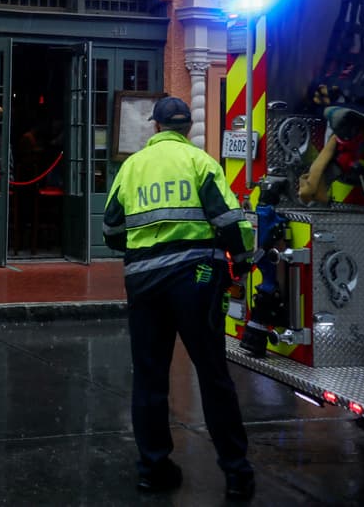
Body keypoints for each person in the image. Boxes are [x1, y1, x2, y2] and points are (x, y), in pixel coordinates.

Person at [102, 96, 257, 500]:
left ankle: (153, 469)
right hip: (196, 278)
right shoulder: (200, 162)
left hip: (143, 282)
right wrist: (241, 263)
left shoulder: (132, 167)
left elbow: (111, 230)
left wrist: (145, 248)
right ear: (188, 128)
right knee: (212, 374)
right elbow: (230, 221)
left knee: (149, 377)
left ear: (155, 127)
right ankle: (236, 473)